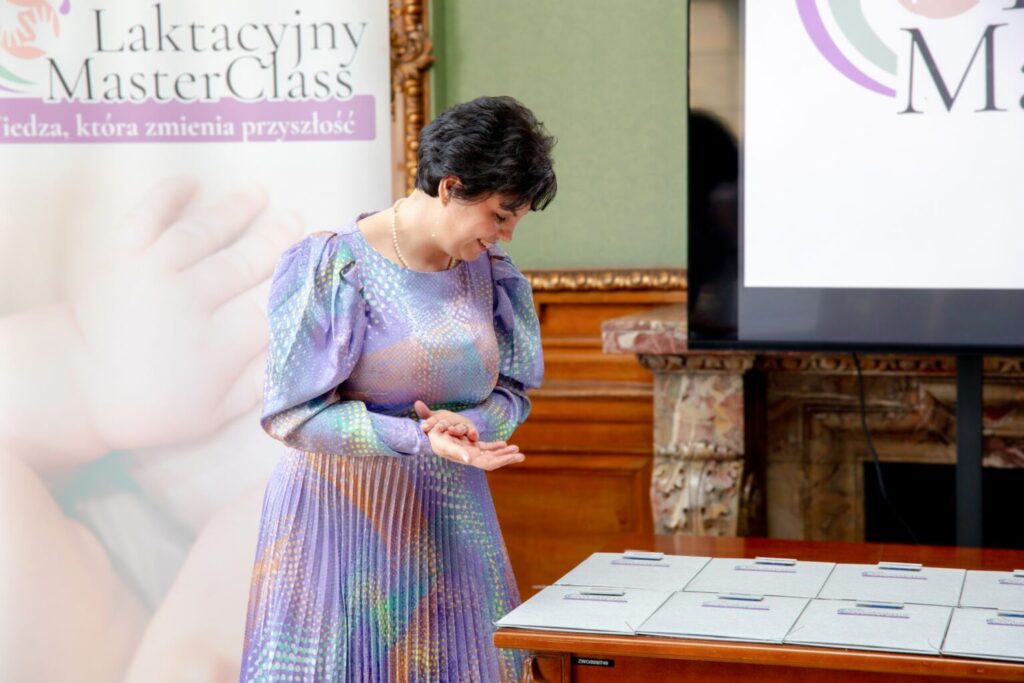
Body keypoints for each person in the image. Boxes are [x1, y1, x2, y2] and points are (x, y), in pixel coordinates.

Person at [239, 95, 557, 682]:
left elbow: (513, 393)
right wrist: (418, 439)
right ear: (451, 186)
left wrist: (468, 426)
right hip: (339, 519)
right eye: (500, 214)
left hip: (450, 516)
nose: (507, 235)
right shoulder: (335, 265)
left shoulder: (492, 275)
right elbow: (292, 417)